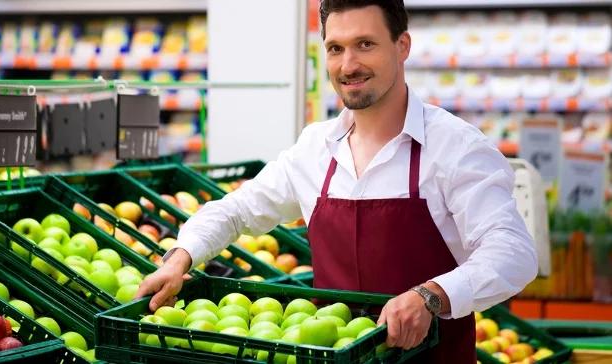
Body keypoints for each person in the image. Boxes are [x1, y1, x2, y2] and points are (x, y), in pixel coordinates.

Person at [136, 0, 538, 362]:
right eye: (335, 49)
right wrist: (180, 258)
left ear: (402, 47)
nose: (348, 65)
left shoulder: (455, 147)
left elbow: (512, 253)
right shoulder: (315, 149)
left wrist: (430, 296)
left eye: (365, 44)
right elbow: (237, 210)